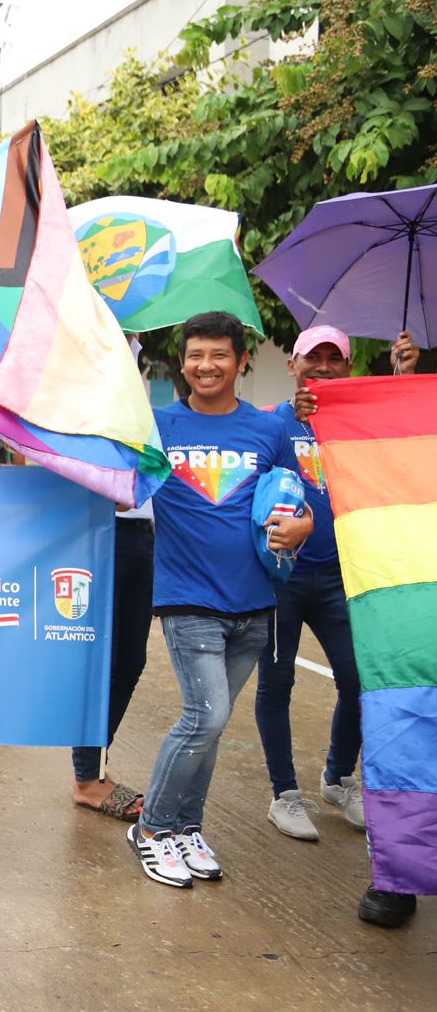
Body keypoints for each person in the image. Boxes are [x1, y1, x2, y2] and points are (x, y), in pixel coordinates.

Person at [127, 311, 312, 888]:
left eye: (219, 355)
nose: (206, 366)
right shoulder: (156, 427)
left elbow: (295, 497)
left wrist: (302, 526)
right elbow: (101, 471)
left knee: (215, 724)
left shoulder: (267, 429)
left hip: (255, 605)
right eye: (195, 355)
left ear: (240, 362)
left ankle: (186, 827)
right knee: (204, 716)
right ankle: (154, 830)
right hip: (188, 599)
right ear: (182, 362)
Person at [258, 327, 420, 847]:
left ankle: (337, 777)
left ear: (348, 369)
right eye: (313, 358)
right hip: (282, 576)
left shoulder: (353, 421)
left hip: (341, 575)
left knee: (358, 680)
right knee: (278, 683)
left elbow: (401, 438)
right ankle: (285, 793)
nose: (324, 367)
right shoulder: (271, 423)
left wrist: (403, 380)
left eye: (335, 359)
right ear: (293, 364)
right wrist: (297, 415)